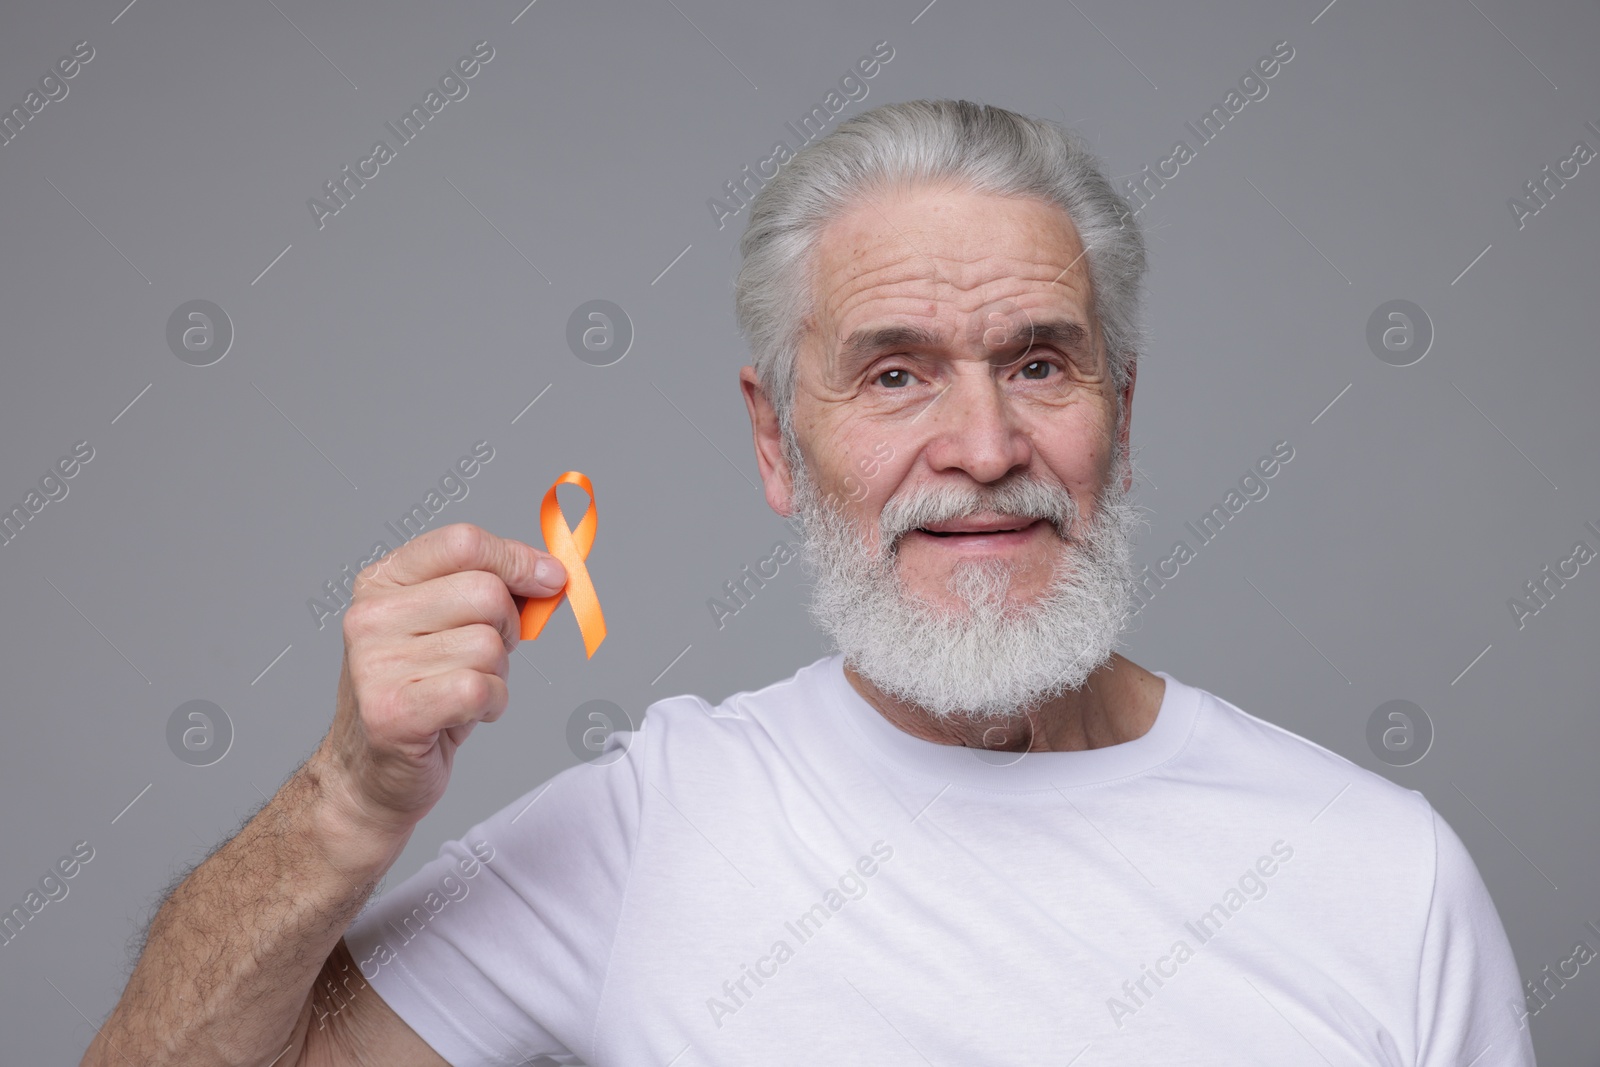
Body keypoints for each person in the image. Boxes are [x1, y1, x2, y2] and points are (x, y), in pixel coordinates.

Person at [83, 99, 1536, 1066]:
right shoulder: (657, 823)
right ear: (777, 440)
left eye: (1039, 362)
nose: (982, 448)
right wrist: (344, 801)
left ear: (1123, 420)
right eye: (894, 374)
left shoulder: (1385, 877)